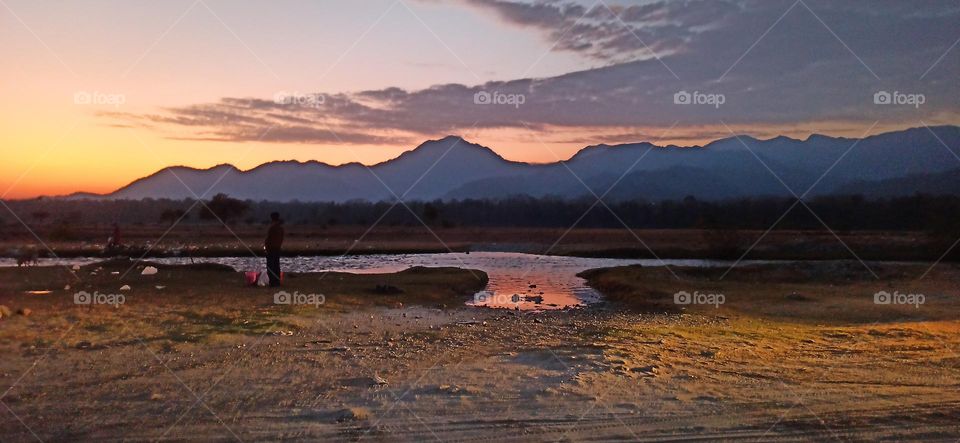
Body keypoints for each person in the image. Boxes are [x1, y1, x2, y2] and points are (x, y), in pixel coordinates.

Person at [264, 212, 285, 287]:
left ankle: (272, 282)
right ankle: (277, 282)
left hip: (271, 249)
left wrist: (266, 248)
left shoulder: (272, 227)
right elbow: (282, 238)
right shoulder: (281, 228)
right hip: (277, 248)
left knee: (270, 266)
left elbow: (268, 239)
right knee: (276, 266)